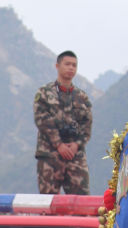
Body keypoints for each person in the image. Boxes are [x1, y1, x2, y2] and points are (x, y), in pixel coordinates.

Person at [34, 50, 93, 195]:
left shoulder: (82, 96)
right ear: (57, 66)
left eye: (74, 65)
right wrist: (59, 144)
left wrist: (77, 144)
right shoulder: (44, 93)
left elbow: (87, 123)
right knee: (48, 203)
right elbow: (41, 119)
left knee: (81, 204)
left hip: (75, 156)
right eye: (67, 64)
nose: (71, 68)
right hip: (50, 155)